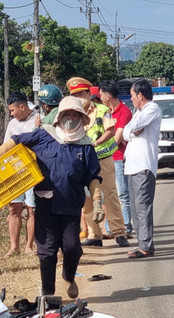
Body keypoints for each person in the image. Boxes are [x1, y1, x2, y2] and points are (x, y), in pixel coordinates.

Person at [0, 96, 103, 298]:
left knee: (72, 248)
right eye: (67, 114)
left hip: (71, 205)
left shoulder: (85, 146)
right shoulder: (44, 135)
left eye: (75, 115)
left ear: (81, 118)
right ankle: (48, 294)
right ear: (59, 117)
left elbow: (93, 177)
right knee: (47, 252)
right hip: (45, 204)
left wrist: (98, 202)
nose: (70, 118)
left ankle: (69, 276)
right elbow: (17, 140)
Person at [67, 77, 129, 248]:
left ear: (89, 93)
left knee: (110, 195)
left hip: (102, 158)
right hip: (82, 162)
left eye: (81, 94)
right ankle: (94, 234)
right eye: (75, 95)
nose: (79, 98)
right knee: (87, 198)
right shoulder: (71, 113)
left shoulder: (102, 110)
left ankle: (119, 232)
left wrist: (95, 144)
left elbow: (110, 131)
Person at [122, 79, 162, 258]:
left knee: (142, 206)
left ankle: (146, 245)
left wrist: (131, 129)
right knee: (134, 208)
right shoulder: (137, 112)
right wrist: (132, 130)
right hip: (131, 166)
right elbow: (125, 132)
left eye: (132, 95)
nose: (131, 99)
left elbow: (133, 127)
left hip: (144, 166)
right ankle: (141, 243)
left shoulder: (152, 109)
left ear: (140, 95)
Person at [4, 91, 40, 256]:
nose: (12, 114)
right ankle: (14, 247)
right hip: (15, 170)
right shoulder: (12, 124)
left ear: (22, 107)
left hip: (33, 171)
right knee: (14, 209)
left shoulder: (38, 120)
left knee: (32, 210)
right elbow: (6, 146)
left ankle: (29, 246)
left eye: (13, 110)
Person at [100, 80, 135, 237]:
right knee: (108, 194)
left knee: (122, 193)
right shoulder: (106, 112)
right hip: (107, 158)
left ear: (108, 96)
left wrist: (101, 148)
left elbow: (117, 138)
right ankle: (111, 228)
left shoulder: (124, 111)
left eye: (101, 95)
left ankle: (125, 226)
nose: (100, 98)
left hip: (118, 158)